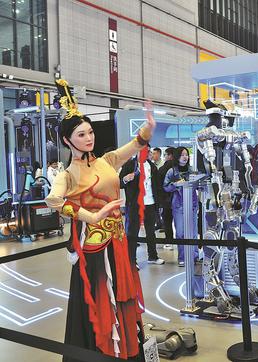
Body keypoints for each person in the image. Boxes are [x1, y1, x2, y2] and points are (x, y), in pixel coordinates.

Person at [45, 97, 156, 360]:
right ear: (67, 140)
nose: (88, 138)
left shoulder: (106, 161)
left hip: (117, 245)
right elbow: (54, 201)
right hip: (96, 253)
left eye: (90, 132)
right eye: (81, 134)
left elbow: (135, 145)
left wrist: (149, 126)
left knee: (123, 299)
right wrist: (92, 217)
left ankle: (127, 351)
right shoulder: (67, 175)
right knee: (102, 303)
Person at [120, 144, 165, 266]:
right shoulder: (129, 165)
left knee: (151, 232)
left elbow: (157, 186)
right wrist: (125, 179)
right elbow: (119, 182)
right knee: (133, 233)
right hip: (135, 204)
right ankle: (132, 260)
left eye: (148, 151)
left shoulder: (152, 166)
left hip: (150, 203)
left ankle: (153, 256)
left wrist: (158, 203)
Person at [164, 147, 198, 266]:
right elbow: (165, 187)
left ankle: (195, 256)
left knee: (193, 232)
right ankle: (182, 257)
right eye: (182, 155)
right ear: (177, 156)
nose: (185, 157)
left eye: (186, 155)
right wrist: (175, 184)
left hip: (192, 205)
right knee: (180, 233)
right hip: (178, 206)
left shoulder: (192, 170)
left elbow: (198, 185)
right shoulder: (172, 171)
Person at [158, 147, 175, 249]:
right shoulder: (179, 166)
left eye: (165, 155)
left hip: (166, 199)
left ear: (170, 156)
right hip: (179, 199)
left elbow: (160, 185)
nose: (164, 157)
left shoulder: (163, 169)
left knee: (167, 221)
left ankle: (169, 241)